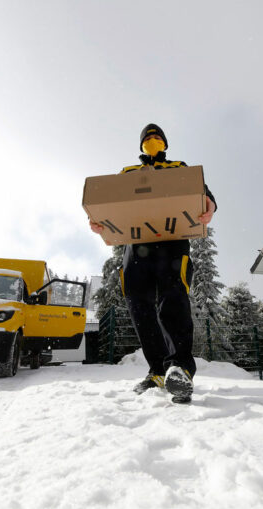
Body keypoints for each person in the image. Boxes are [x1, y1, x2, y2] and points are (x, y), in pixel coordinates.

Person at [90, 123, 217, 403]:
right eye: (148, 138)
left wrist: (210, 205)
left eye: (157, 137)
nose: (153, 140)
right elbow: (110, 202)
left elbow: (202, 193)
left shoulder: (178, 168)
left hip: (173, 241)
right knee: (138, 304)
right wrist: (100, 221)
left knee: (172, 299)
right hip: (137, 246)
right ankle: (158, 370)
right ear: (141, 145)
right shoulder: (128, 174)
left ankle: (180, 367)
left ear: (166, 144)